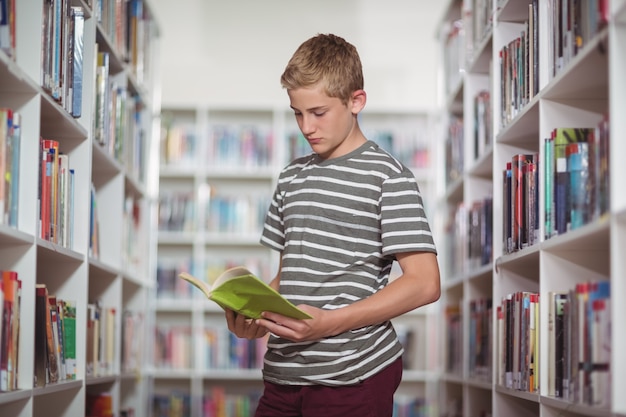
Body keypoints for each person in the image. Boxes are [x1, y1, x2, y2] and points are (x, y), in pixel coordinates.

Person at [225, 33, 441, 417]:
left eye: (319, 112)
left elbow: (425, 283)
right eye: (297, 113)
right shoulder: (291, 176)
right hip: (283, 373)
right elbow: (290, 276)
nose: (306, 127)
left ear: (356, 101)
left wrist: (328, 324)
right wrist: (255, 316)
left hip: (353, 375)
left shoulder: (388, 177)